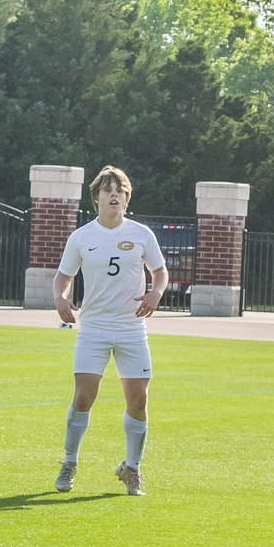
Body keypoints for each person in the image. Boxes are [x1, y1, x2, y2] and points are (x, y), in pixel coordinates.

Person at [53, 165, 168, 496]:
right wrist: (60, 298)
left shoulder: (142, 234)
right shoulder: (81, 237)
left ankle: (131, 468)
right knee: (83, 397)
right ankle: (69, 462)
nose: (114, 194)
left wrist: (155, 293)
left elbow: (160, 273)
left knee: (139, 399)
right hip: (94, 328)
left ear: (127, 197)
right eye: (108, 189)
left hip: (131, 328)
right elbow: (63, 276)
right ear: (96, 197)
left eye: (120, 190)